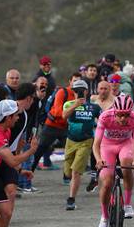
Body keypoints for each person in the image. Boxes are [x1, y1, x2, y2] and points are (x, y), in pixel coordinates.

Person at [93, 95, 134, 227]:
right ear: (114, 111)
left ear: (130, 112)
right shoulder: (105, 117)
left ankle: (127, 204)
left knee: (127, 164)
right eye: (119, 115)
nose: (122, 118)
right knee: (107, 181)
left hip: (125, 144)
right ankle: (104, 217)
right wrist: (98, 160)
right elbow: (96, 144)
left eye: (126, 115)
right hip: (106, 146)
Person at [62, 80, 101, 210]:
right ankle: (72, 191)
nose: (78, 92)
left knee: (75, 172)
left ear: (86, 91)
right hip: (70, 141)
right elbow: (64, 116)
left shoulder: (94, 107)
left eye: (81, 90)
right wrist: (76, 105)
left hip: (86, 141)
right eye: (75, 90)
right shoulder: (68, 104)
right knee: (68, 173)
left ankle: (71, 199)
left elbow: (102, 120)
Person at [31, 73, 81, 172]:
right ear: (70, 82)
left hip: (66, 127)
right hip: (52, 125)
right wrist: (73, 108)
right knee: (39, 152)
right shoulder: (63, 92)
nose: (76, 84)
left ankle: (67, 177)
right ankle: (28, 175)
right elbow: (58, 111)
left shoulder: (80, 95)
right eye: (75, 81)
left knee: (71, 152)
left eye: (79, 82)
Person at [86, 81, 115, 192]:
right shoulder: (93, 99)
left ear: (109, 89)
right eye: (101, 88)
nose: (103, 91)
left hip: (110, 133)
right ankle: (94, 177)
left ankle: (113, 175)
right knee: (95, 152)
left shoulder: (115, 101)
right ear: (97, 89)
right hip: (96, 131)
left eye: (105, 89)